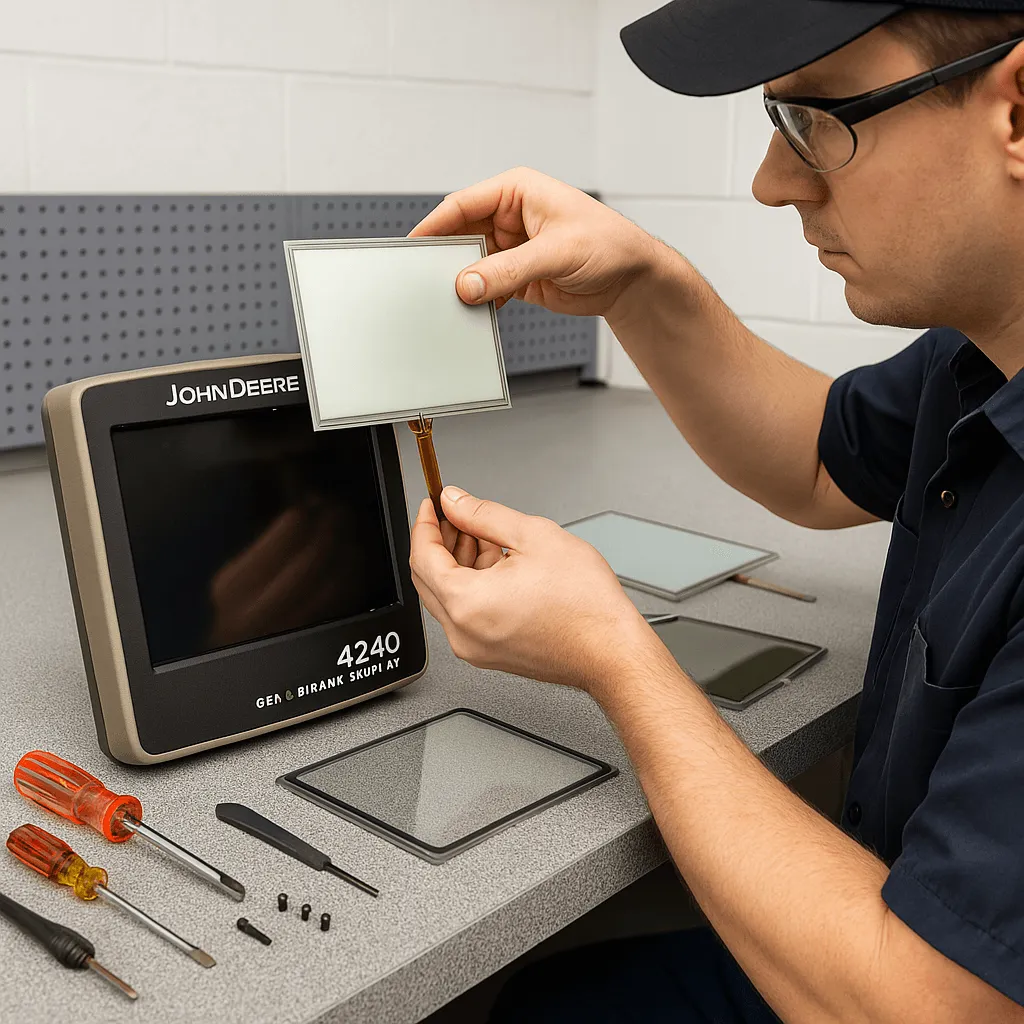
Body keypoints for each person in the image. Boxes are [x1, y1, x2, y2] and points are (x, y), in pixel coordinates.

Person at [408, 1, 1024, 1021]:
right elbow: (820, 461)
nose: (771, 183)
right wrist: (641, 282)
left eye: (819, 120)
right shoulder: (983, 353)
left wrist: (614, 653)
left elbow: (931, 1005)